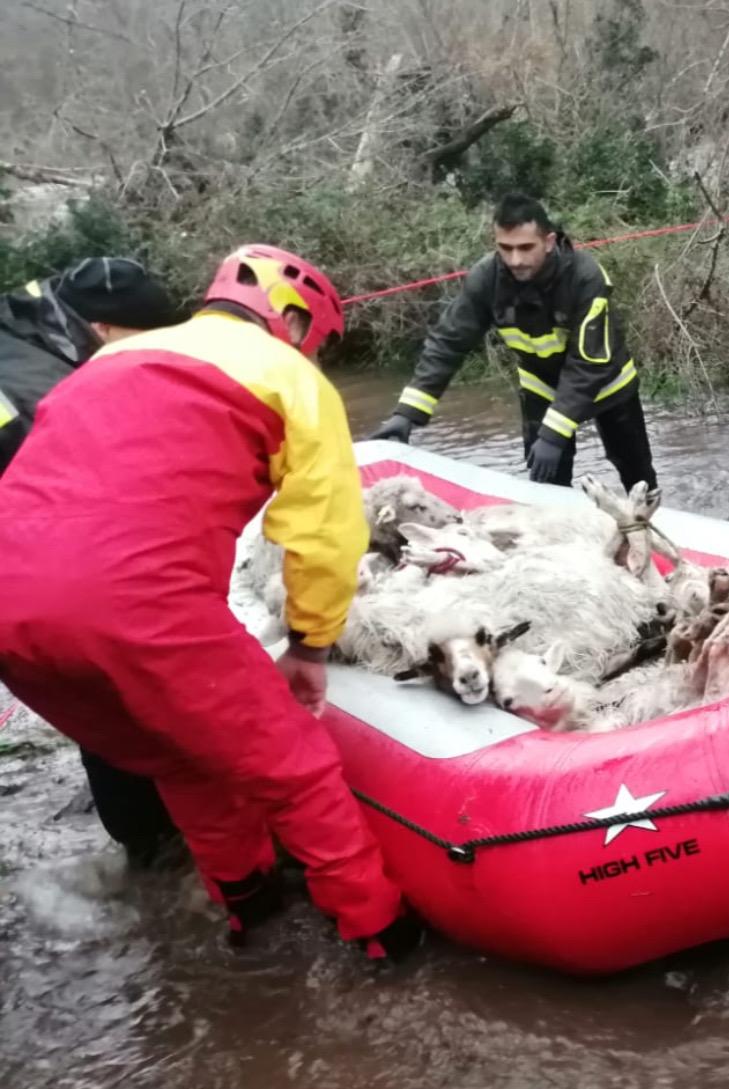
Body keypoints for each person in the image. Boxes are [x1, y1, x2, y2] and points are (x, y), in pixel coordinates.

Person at [0, 244, 419, 960]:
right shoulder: (290, 376)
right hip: (131, 601)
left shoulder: (104, 363)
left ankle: (247, 909)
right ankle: (381, 932)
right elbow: (323, 536)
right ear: (294, 324)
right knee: (297, 767)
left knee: (179, 757)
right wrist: (310, 646)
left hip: (11, 609)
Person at [0, 256, 186, 869]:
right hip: (34, 577)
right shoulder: (40, 394)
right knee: (104, 684)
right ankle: (151, 852)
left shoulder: (35, 324)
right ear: (104, 329)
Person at [368, 192, 658, 491]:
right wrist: (407, 414)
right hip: (541, 387)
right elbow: (448, 342)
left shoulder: (585, 277)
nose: (515, 260)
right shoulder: (486, 278)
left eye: (525, 248)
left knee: (636, 473)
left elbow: (589, 363)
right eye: (505, 248)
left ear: (548, 242)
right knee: (546, 484)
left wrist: (554, 433)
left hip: (609, 386)